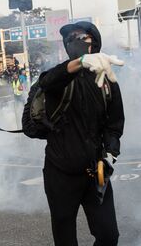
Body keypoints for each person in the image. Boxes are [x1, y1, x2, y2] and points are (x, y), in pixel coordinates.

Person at [37, 21, 125, 246]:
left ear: (93, 43)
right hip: (60, 173)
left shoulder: (106, 81)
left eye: (80, 37)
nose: (73, 41)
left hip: (95, 171)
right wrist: (80, 62)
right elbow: (47, 82)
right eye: (70, 38)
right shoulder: (61, 76)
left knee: (109, 235)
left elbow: (114, 122)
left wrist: (111, 150)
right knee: (65, 237)